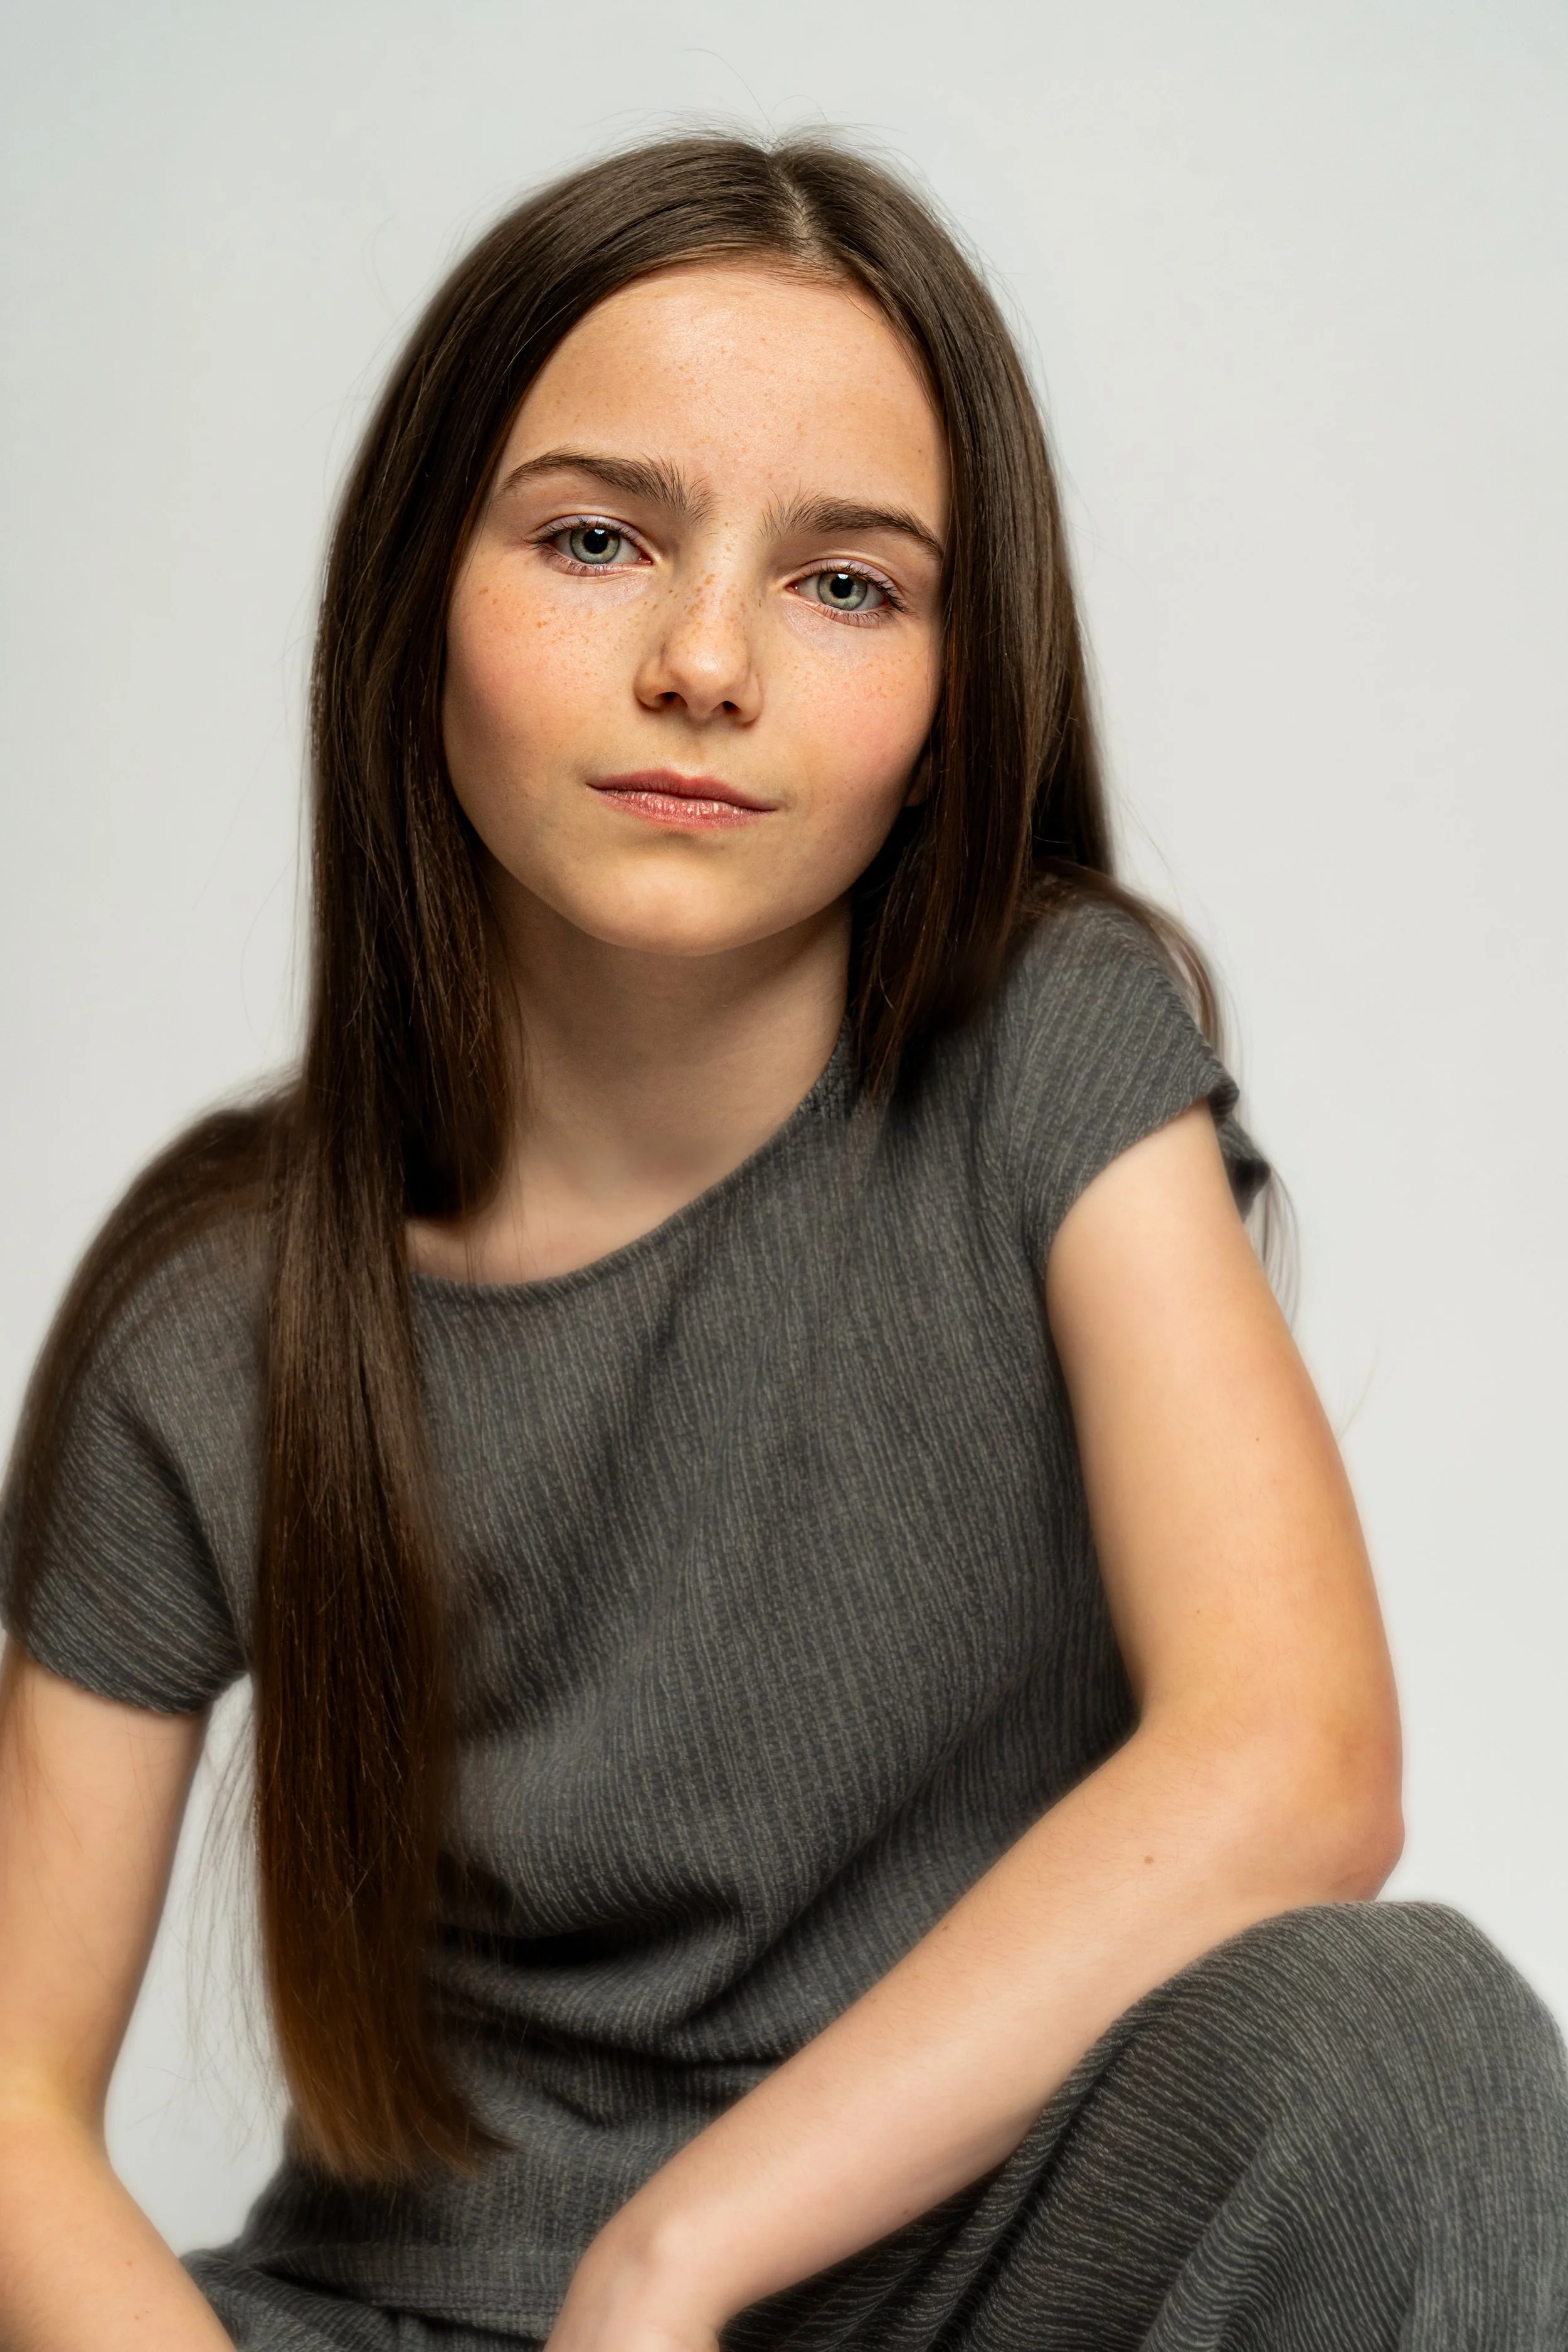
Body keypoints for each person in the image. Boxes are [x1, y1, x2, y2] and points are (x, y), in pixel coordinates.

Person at [0, 133, 1563, 2352]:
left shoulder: (1046, 1044)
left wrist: (674, 2262)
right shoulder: (220, 1302)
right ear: (415, 595)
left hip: (971, 2279)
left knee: (1408, 2044)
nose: (706, 658)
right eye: (595, 539)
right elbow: (11, 2098)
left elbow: (1294, 1758)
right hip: (413, 2318)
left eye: (845, 583)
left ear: (952, 689)